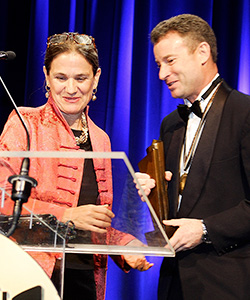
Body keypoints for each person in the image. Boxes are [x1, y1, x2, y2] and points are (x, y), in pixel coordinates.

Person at [0, 32, 153, 300]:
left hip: (85, 280)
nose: (71, 88)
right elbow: (2, 201)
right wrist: (64, 216)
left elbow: (93, 223)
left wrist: (123, 244)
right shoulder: (24, 123)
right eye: (61, 78)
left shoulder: (101, 140)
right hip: (32, 276)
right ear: (47, 76)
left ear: (97, 78)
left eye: (81, 78)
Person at [135, 14, 250, 300]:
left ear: (202, 53)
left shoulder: (245, 113)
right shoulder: (170, 123)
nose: (161, 74)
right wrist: (151, 193)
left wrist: (205, 229)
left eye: (170, 61)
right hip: (174, 283)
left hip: (229, 283)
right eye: (158, 65)